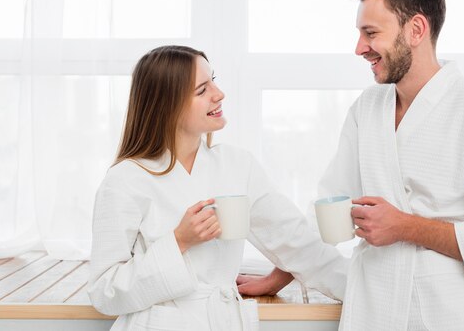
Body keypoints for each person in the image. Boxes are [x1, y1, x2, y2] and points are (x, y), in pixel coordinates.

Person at [239, 0, 464, 330]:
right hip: (375, 311)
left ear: (416, 30)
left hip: (456, 316)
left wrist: (406, 227)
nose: (359, 48)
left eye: (371, 33)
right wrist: (283, 273)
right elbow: (332, 207)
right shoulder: (367, 109)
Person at [87, 45, 348, 331]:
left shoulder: (238, 166)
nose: (219, 94)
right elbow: (104, 292)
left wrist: (366, 291)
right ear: (167, 104)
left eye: (214, 80)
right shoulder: (125, 180)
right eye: (202, 90)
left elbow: (297, 243)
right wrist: (179, 242)